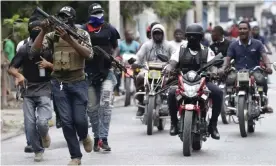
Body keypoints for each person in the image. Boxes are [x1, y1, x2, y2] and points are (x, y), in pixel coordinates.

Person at [31, 6, 94, 165]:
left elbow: (89, 54)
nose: (63, 20)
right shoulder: (52, 36)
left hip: (78, 82)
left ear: (72, 19)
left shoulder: (82, 34)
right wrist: (43, 31)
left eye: (66, 17)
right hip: (59, 83)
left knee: (79, 120)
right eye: (60, 17)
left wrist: (70, 40)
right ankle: (75, 157)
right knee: (66, 121)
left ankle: (85, 135)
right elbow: (34, 51)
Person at [8, 17, 53, 162]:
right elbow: (12, 68)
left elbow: (60, 68)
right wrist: (19, 75)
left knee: (42, 122)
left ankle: (44, 135)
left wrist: (48, 65)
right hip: (28, 90)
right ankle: (37, 150)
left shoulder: (50, 48)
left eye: (40, 30)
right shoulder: (23, 49)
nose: (37, 33)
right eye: (34, 30)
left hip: (45, 88)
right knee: (29, 123)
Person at [166, 23, 222, 140]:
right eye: (189, 36)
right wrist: (169, 69)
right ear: (186, 37)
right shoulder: (180, 50)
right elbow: (172, 63)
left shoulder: (207, 51)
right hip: (183, 82)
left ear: (201, 37)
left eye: (195, 36)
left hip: (202, 82)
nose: (192, 39)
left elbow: (213, 67)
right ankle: (174, 123)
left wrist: (215, 72)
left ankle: (213, 125)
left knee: (218, 92)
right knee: (171, 93)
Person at [81, 3, 120, 152]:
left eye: (100, 13)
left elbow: (115, 46)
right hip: (89, 73)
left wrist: (112, 59)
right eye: (95, 13)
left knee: (106, 106)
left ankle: (104, 139)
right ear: (90, 15)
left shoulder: (109, 28)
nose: (98, 16)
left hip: (107, 73)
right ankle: (96, 136)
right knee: (92, 108)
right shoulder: (83, 30)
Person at [218, 21, 273, 113]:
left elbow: (264, 56)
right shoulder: (233, 45)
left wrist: (268, 66)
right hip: (238, 71)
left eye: (245, 28)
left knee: (262, 80)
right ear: (238, 31)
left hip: (254, 70)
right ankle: (231, 104)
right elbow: (227, 59)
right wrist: (222, 68)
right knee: (229, 80)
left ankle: (264, 104)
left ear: (249, 30)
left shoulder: (258, 43)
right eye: (240, 29)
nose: (242, 31)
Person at [134, 24, 175, 116]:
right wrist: (135, 62)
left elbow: (175, 56)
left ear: (163, 34)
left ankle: (166, 102)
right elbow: (139, 55)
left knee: (173, 82)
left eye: (159, 33)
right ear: (152, 34)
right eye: (155, 33)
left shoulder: (169, 45)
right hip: (148, 69)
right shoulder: (147, 45)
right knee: (139, 77)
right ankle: (141, 103)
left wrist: (171, 65)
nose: (157, 35)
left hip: (165, 70)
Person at [114, 30, 140, 96]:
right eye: (129, 34)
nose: (131, 36)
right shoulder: (121, 44)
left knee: (140, 74)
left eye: (132, 34)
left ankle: (138, 89)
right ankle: (116, 90)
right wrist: (115, 58)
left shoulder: (136, 44)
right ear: (125, 35)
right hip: (123, 62)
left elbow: (139, 53)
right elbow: (117, 52)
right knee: (116, 73)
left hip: (133, 63)